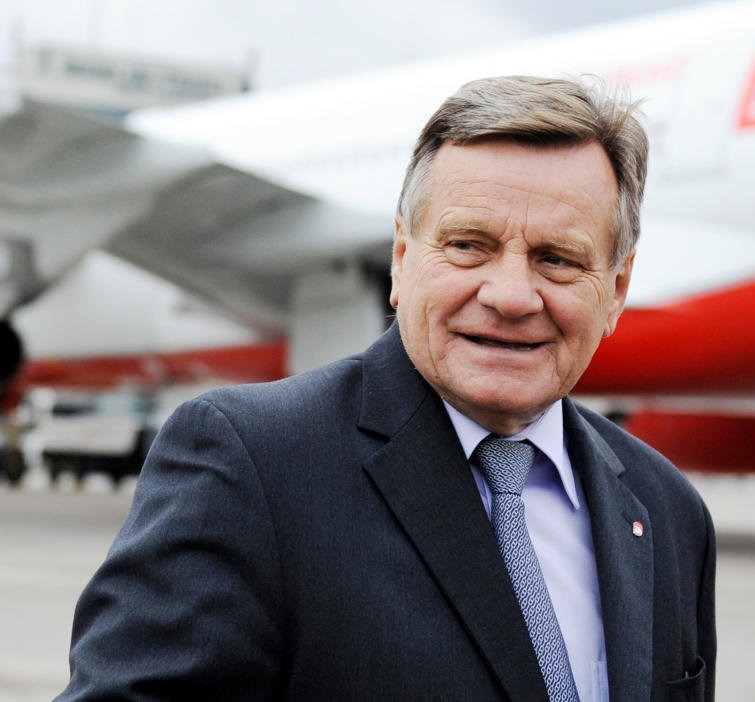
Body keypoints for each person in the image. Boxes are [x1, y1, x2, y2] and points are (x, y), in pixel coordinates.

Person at [57, 75, 715, 702]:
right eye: (468, 246)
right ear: (402, 259)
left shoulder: (668, 513)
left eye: (558, 260)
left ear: (616, 291)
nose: (511, 296)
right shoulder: (251, 465)